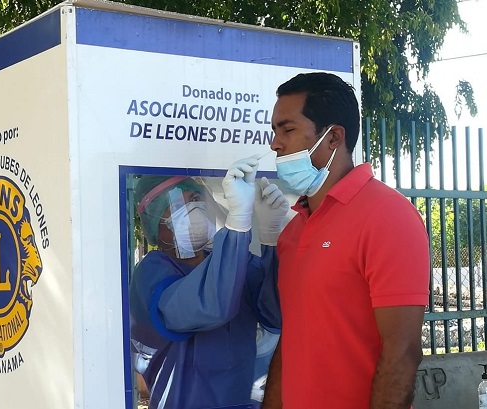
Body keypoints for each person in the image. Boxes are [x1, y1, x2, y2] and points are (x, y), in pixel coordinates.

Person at [261, 72, 430, 409]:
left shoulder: (388, 217)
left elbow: (402, 351)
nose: (275, 143)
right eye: (275, 131)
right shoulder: (293, 234)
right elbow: (290, 343)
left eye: (287, 129)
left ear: (333, 136)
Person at [129, 165, 288, 409]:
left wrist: (270, 238)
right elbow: (208, 306)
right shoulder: (152, 273)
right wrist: (237, 224)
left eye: (194, 199)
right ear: (155, 226)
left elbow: (275, 314)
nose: (193, 210)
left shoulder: (230, 261)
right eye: (177, 207)